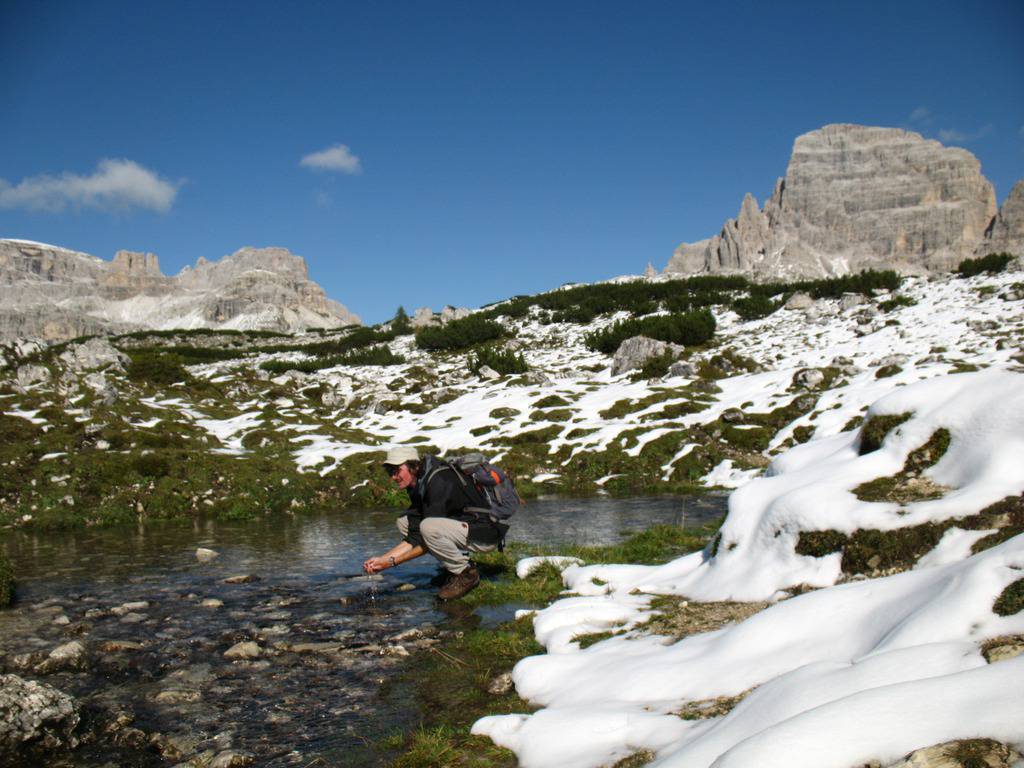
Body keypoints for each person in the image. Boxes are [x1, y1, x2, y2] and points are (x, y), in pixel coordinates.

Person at [362, 446, 505, 600]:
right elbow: (415, 534)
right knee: (404, 522)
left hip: (486, 533)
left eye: (396, 471)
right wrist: (382, 559)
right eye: (390, 472)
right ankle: (453, 568)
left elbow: (425, 538)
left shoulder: (438, 481)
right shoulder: (418, 483)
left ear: (413, 466)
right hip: (466, 528)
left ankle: (466, 574)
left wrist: (391, 563)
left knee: (429, 527)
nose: (393, 477)